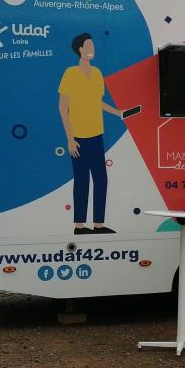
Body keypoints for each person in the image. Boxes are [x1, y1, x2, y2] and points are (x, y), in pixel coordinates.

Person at [58, 32, 125, 235]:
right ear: (80, 49)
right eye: (89, 45)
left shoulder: (96, 73)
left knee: (101, 179)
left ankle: (98, 223)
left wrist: (118, 112)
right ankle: (80, 225)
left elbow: (97, 102)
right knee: (81, 180)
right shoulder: (70, 73)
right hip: (78, 137)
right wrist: (70, 138)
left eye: (92, 45)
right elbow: (63, 106)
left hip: (96, 134)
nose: (92, 48)